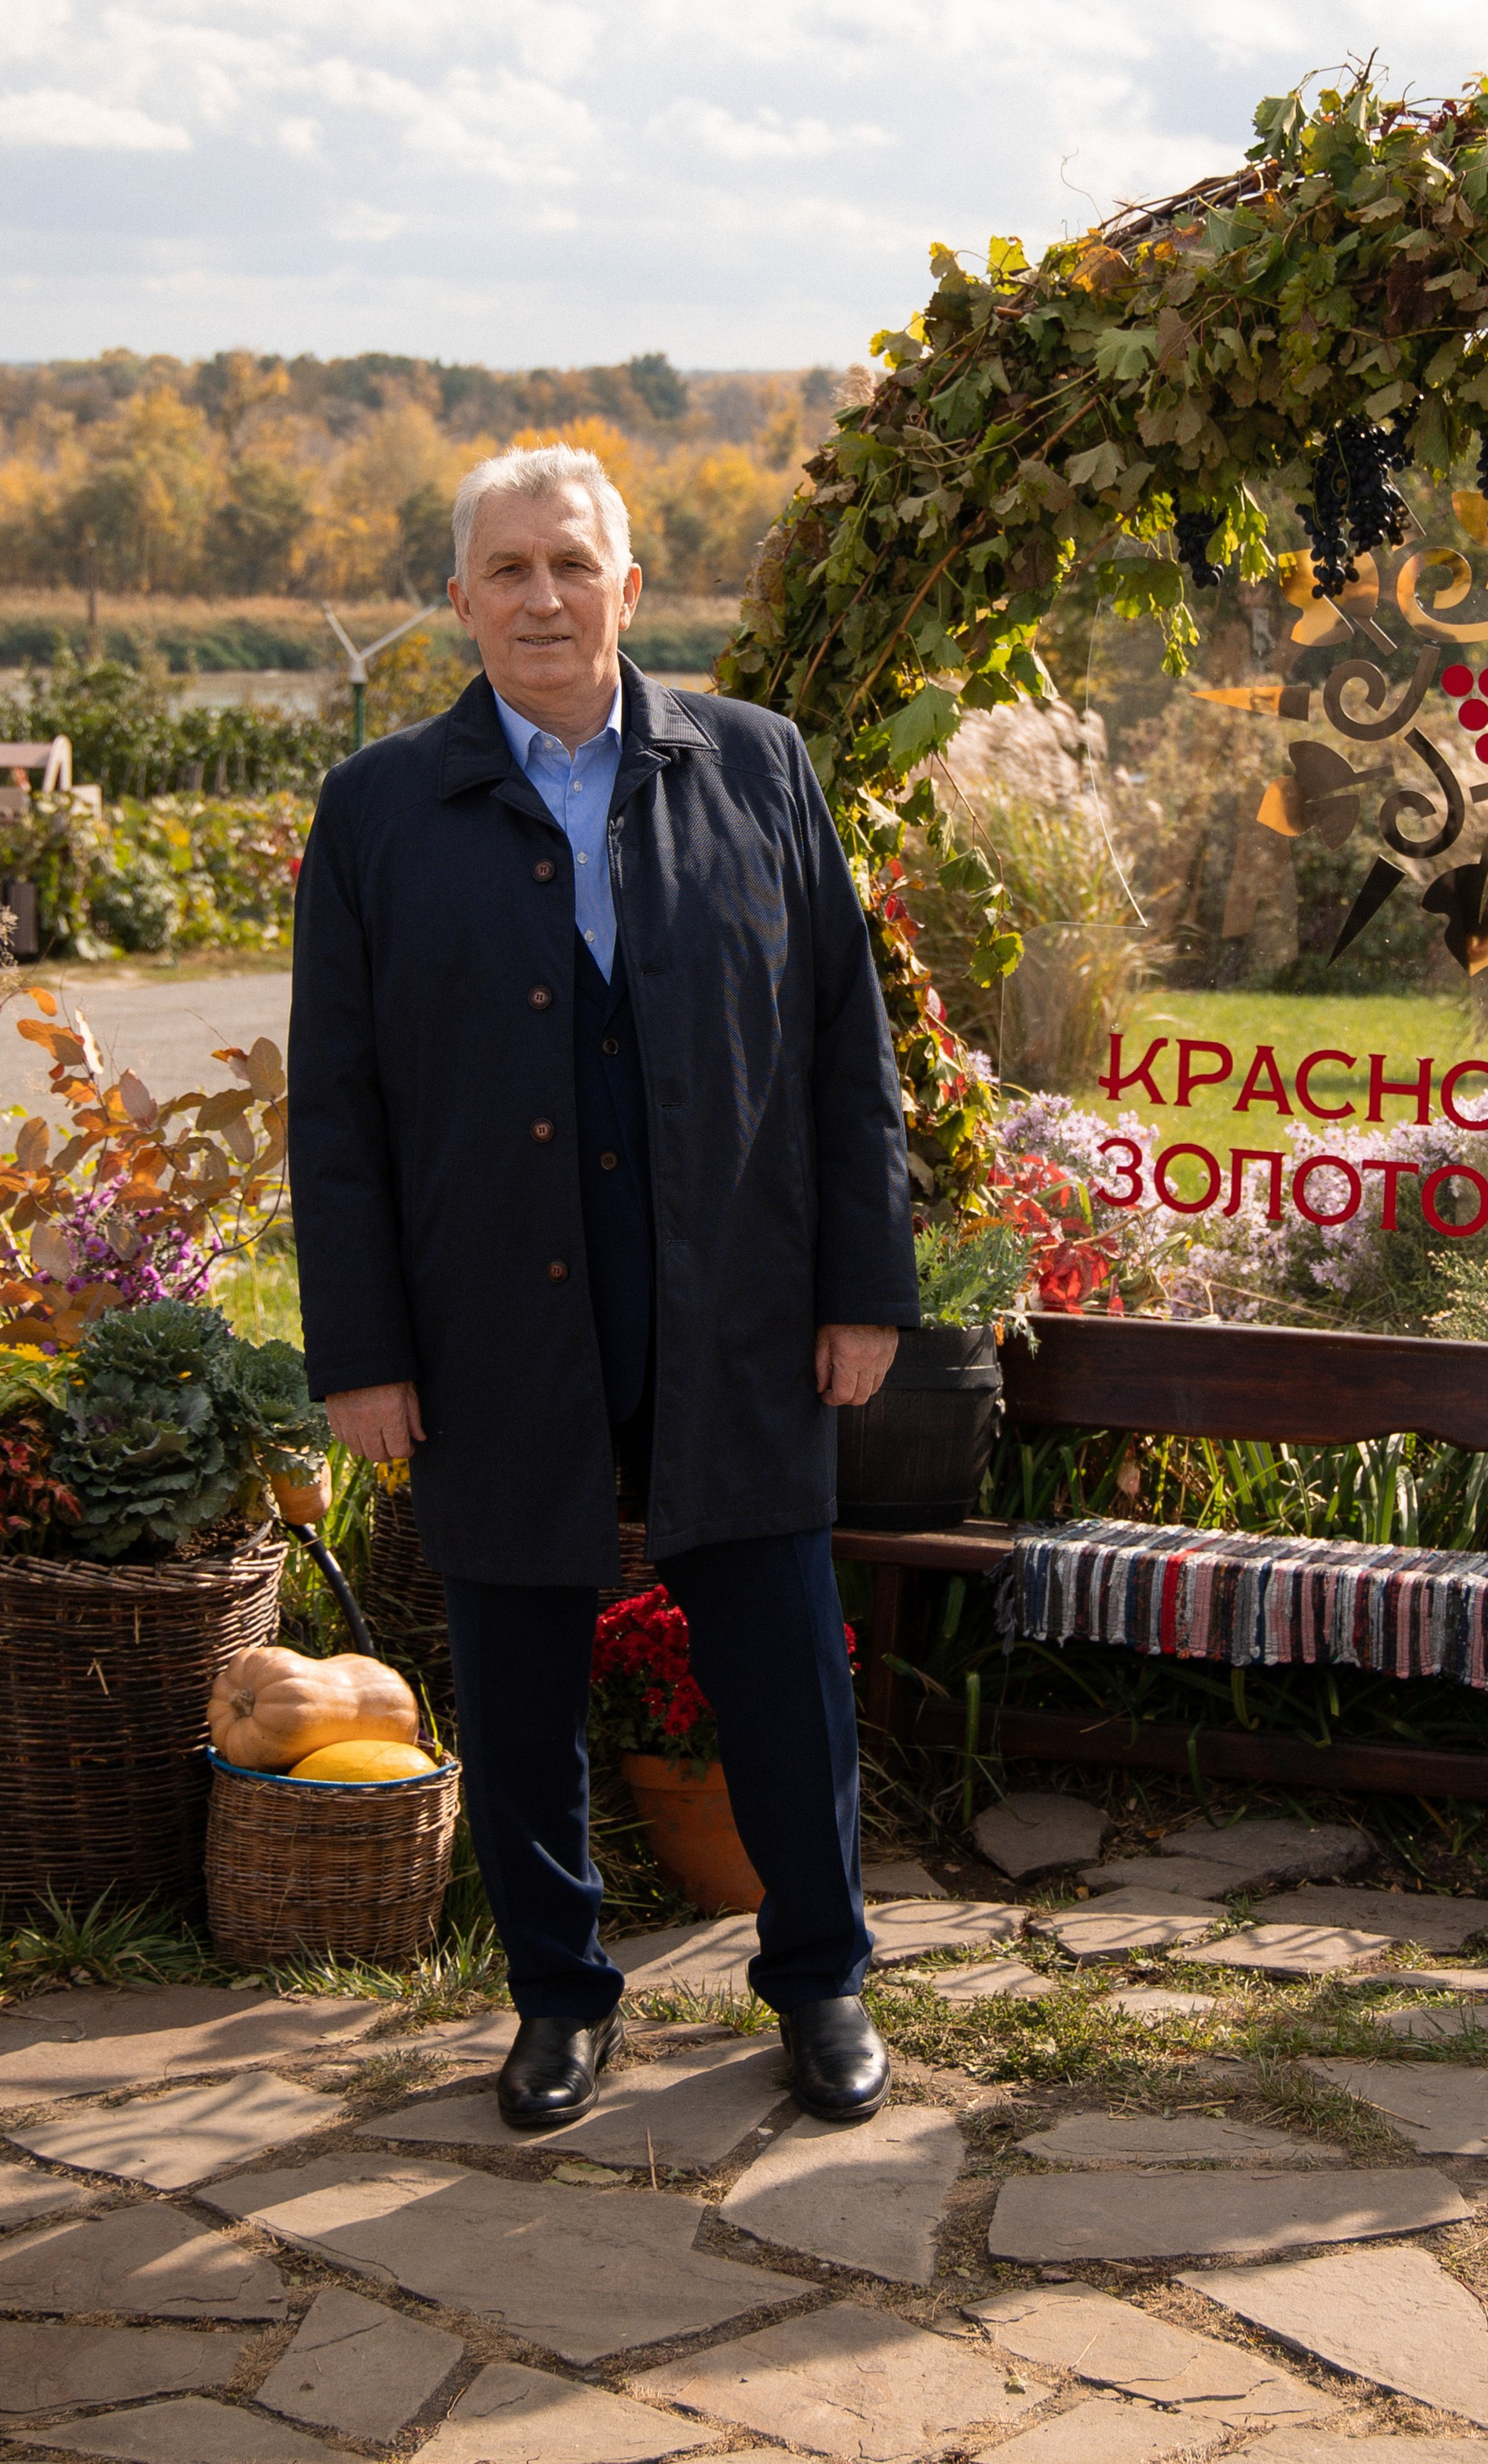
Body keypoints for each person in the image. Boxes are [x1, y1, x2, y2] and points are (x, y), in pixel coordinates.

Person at [288, 441, 917, 2131]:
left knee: (783, 1669)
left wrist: (864, 1291)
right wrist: (358, 1349)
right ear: (459, 602)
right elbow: (334, 1111)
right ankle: (559, 1997)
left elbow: (847, 1052)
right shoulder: (376, 814)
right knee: (513, 1680)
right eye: (508, 570)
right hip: (492, 1317)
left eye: (573, 565)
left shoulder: (760, 768)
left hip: (736, 1312)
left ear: (631, 590)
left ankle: (822, 1979)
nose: (543, 597)